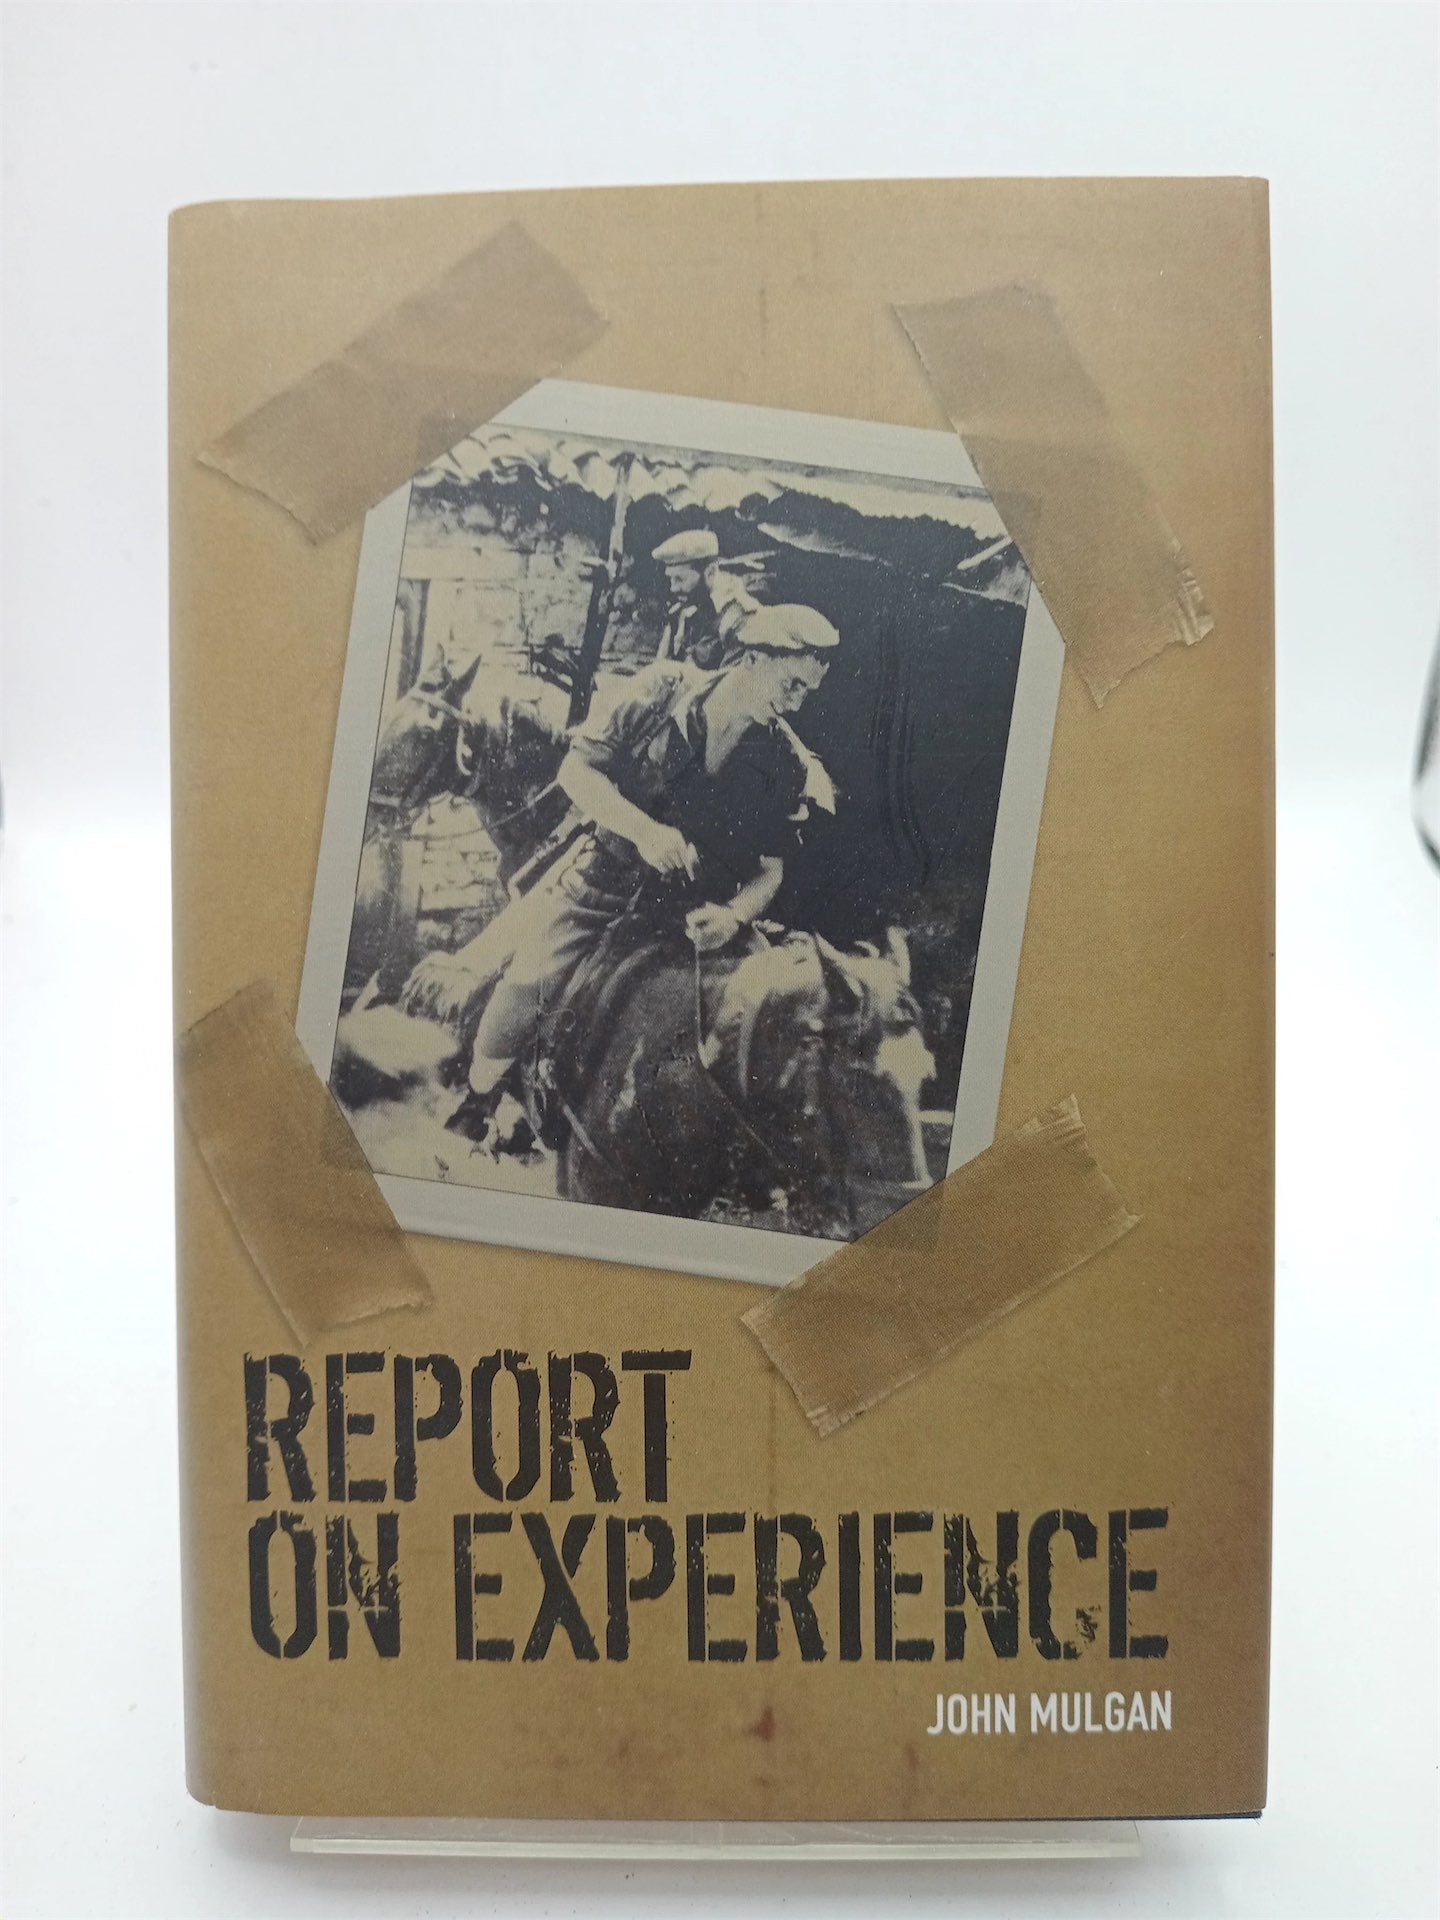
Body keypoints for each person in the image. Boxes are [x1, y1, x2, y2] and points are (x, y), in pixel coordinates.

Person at [445, 603, 840, 1147]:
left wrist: (733, 916)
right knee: (526, 988)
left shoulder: (785, 763)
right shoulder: (661, 694)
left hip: (694, 920)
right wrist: (645, 832)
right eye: (792, 683)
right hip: (604, 891)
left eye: (807, 692)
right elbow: (576, 771)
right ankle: (480, 1098)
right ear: (753, 658)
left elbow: (770, 872)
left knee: (764, 1022)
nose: (796, 702)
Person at [651, 528, 729, 669]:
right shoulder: (680, 613)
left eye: (680, 579)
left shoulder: (732, 615)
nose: (673, 588)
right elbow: (659, 666)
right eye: (671, 580)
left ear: (710, 572)